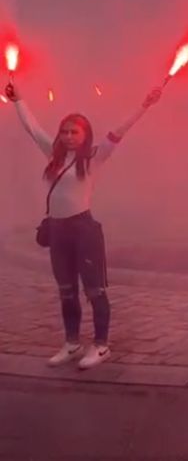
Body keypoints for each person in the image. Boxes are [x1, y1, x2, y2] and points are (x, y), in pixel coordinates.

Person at [5, 81, 163, 370]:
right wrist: (18, 100)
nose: (68, 137)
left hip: (83, 230)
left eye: (74, 132)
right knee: (66, 290)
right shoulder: (53, 155)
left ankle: (101, 346)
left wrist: (145, 104)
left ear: (85, 135)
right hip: (57, 231)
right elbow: (31, 127)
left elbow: (120, 130)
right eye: (64, 132)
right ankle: (72, 343)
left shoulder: (94, 157)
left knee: (94, 291)